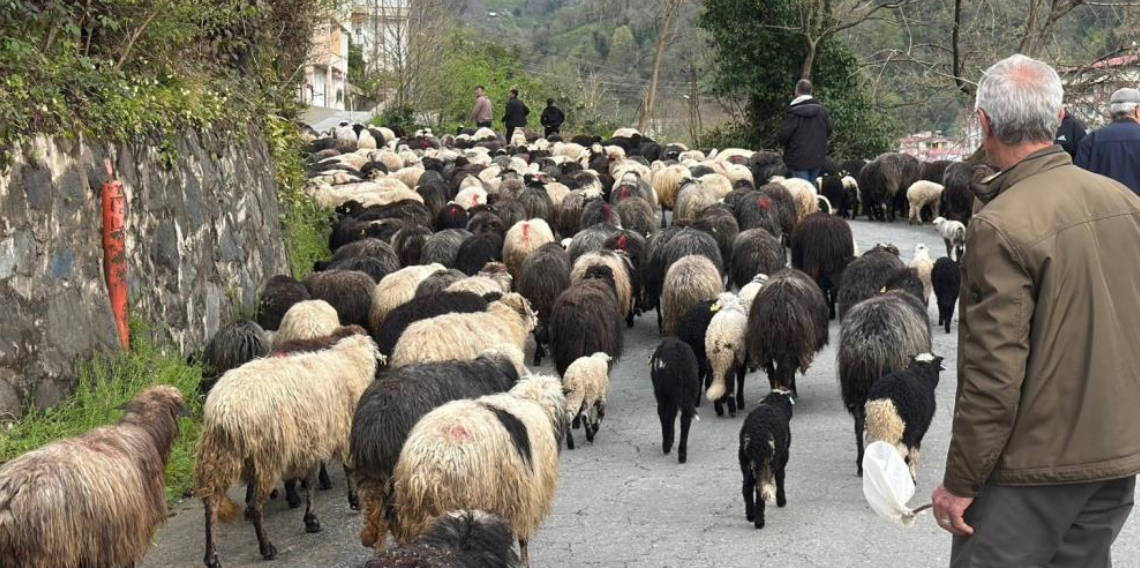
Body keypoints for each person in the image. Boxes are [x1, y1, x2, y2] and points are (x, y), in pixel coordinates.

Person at [932, 54, 1140, 568]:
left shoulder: (1000, 224)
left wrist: (960, 481)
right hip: (1114, 459)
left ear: (984, 123)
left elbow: (992, 374)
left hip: (1031, 469)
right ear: (1060, 114)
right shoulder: (1125, 204)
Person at [1075, 87, 1140, 196]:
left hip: (1101, 210)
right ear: (1138, 111)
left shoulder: (1090, 140)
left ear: (1111, 113)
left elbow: (1080, 185)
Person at [777, 79, 832, 187]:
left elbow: (783, 136)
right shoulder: (821, 111)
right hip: (817, 158)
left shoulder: (793, 113)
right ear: (811, 91)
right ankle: (814, 204)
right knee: (811, 189)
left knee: (801, 190)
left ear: (797, 92)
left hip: (798, 159)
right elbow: (829, 130)